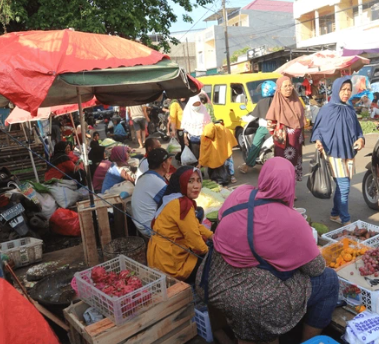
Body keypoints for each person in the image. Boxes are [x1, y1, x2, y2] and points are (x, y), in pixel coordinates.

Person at [196, 157, 339, 343]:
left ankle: (223, 334)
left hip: (211, 281)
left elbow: (232, 227)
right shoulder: (292, 220)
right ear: (290, 184)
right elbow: (316, 269)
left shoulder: (239, 194)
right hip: (252, 299)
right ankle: (309, 341)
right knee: (329, 280)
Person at [311, 76, 365, 226]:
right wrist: (318, 141)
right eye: (343, 90)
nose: (346, 93)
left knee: (343, 186)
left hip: (348, 152)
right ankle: (346, 220)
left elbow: (358, 131)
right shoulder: (327, 109)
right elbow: (318, 130)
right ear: (336, 90)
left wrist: (360, 140)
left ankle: (335, 214)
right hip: (332, 152)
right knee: (344, 186)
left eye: (349, 89)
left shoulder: (350, 109)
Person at [148, 166, 213, 282]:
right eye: (190, 181)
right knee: (211, 261)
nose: (196, 186)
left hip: (157, 256)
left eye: (198, 180)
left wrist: (211, 235)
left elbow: (194, 224)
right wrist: (210, 251)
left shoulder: (172, 198)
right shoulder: (182, 204)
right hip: (169, 264)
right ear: (181, 182)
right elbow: (195, 242)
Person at [266, 76, 306, 181]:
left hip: (296, 141)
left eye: (290, 85)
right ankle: (283, 191)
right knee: (283, 167)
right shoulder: (276, 103)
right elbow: (270, 124)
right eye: (285, 86)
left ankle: (291, 191)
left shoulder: (296, 101)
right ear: (279, 88)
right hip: (283, 144)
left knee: (294, 166)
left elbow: (302, 119)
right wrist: (280, 134)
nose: (288, 88)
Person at [132, 148, 174, 238]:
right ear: (164, 165)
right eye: (168, 161)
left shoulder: (145, 177)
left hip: (140, 223)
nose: (170, 163)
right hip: (148, 228)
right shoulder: (156, 182)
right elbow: (174, 204)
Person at [239, 80, 276, 174]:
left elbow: (254, 115)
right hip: (277, 128)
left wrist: (243, 117)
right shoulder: (278, 101)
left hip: (264, 128)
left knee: (255, 145)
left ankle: (247, 166)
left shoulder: (262, 102)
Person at [181, 96, 212, 163]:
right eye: (194, 105)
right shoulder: (187, 112)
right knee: (196, 156)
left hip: (204, 138)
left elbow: (209, 123)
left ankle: (202, 170)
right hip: (193, 139)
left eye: (198, 104)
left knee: (204, 156)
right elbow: (185, 127)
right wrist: (185, 138)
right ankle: (198, 171)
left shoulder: (204, 110)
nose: (197, 106)